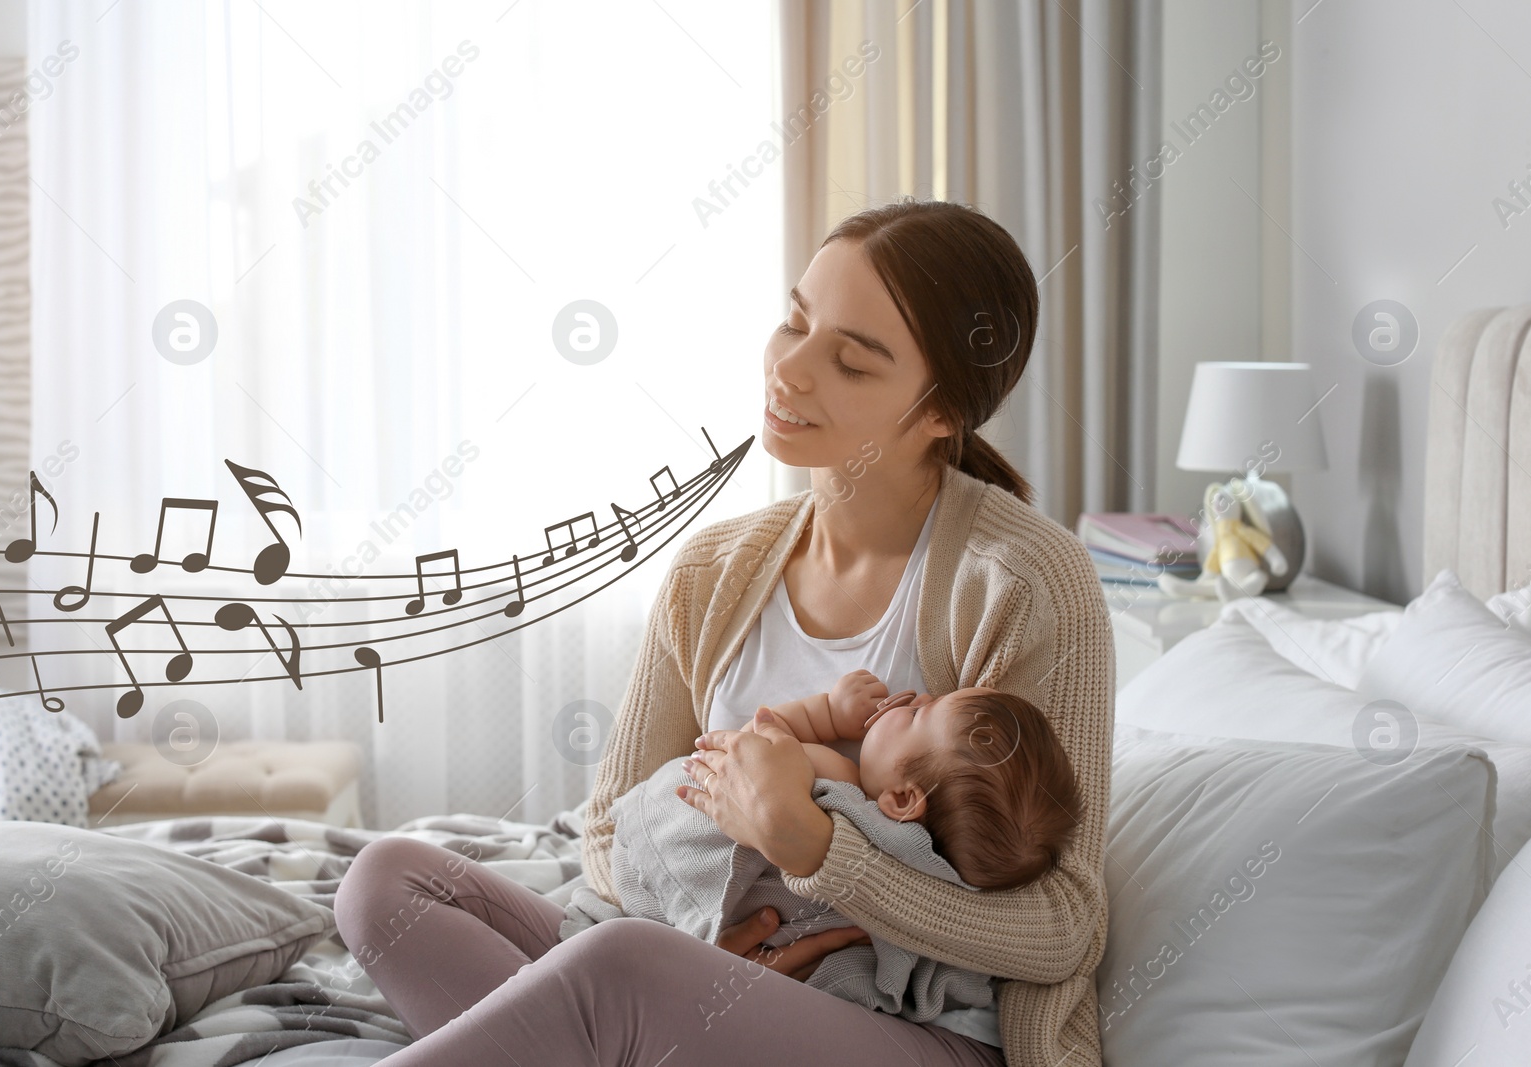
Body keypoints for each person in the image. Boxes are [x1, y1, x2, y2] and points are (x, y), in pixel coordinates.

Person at [333, 197, 1115, 1067]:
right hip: (696, 957)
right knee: (384, 883)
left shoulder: (1024, 581)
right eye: (795, 322)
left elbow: (1062, 930)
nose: (792, 371)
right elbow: (604, 835)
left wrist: (812, 849)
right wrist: (707, 951)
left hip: (912, 1026)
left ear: (940, 413)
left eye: (852, 363)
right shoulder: (716, 567)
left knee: (621, 966)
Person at [725, 670, 1086, 892]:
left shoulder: (837, 779)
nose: (922, 694)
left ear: (900, 799)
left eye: (916, 715)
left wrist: (829, 714)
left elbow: (748, 752)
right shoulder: (911, 865)